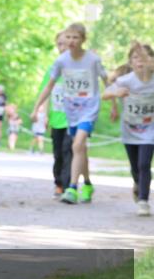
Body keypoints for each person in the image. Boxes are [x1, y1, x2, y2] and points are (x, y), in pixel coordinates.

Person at [33, 23, 115, 205]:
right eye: (68, 37)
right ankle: (87, 183)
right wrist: (36, 108)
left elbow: (106, 81)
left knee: (77, 144)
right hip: (71, 110)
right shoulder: (61, 62)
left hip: (89, 108)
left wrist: (114, 105)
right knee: (81, 148)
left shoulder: (93, 60)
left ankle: (72, 188)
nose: (71, 41)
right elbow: (49, 86)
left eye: (75, 38)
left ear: (83, 40)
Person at [102, 42, 154, 217]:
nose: (140, 61)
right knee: (135, 167)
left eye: (144, 57)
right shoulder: (126, 80)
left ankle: (143, 201)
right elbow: (105, 94)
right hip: (130, 131)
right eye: (135, 57)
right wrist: (116, 94)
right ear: (130, 62)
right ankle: (139, 184)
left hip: (150, 130)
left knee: (144, 164)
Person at [36, 31, 73, 197]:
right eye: (59, 44)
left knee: (69, 150)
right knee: (58, 153)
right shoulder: (53, 68)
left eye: (65, 43)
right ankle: (58, 182)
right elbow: (46, 91)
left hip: (74, 120)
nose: (62, 47)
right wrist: (40, 112)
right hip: (57, 119)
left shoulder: (79, 67)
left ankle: (68, 185)